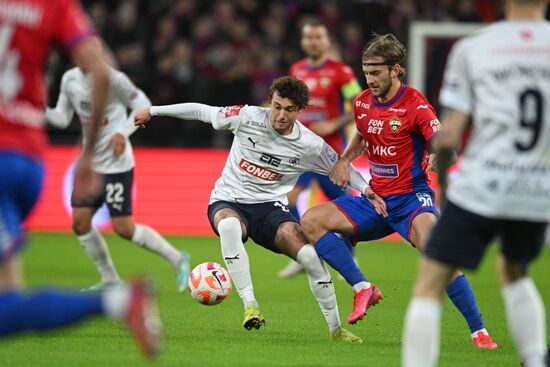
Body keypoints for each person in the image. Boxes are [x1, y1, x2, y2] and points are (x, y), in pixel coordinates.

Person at [134, 76, 369, 342]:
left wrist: (368, 191)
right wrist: (153, 111)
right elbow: (202, 111)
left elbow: (342, 168)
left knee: (311, 259)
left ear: (300, 111)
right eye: (277, 106)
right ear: (271, 100)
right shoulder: (246, 117)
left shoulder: (310, 145)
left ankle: (336, 330)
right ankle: (250, 305)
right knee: (229, 226)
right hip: (228, 200)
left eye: (289, 110)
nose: (280, 115)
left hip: (270, 209)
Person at [301, 33, 497, 349]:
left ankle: (479, 332)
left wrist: (437, 154)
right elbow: (362, 136)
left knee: (438, 254)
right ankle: (363, 287)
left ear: (396, 70)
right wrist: (344, 160)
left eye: (376, 72)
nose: (370, 80)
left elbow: (440, 139)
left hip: (411, 200)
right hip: (376, 200)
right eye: (366, 73)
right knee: (311, 220)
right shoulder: (363, 102)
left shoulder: (415, 104)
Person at [0, 0, 160, 358]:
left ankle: (116, 300)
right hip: (26, 162)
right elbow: (102, 71)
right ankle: (117, 302)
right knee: (6, 303)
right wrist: (87, 155)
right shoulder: (53, 5)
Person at [402, 0, 549, 365]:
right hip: (537, 190)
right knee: (514, 269)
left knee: (430, 281)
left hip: (483, 185)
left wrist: (447, 188)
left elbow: (448, 137)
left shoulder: (475, 47)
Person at [46, 64, 190, 293]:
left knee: (123, 228)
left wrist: (122, 133)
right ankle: (110, 279)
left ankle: (176, 257)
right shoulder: (69, 79)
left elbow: (142, 103)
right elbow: (62, 119)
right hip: (90, 166)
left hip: (116, 163)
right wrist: (37, 109)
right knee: (80, 223)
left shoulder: (113, 78)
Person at [278, 20, 363, 278]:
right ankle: (303, 252)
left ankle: (349, 259)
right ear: (303, 42)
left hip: (330, 154)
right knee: (287, 200)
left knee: (346, 206)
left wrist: (334, 123)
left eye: (318, 37)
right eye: (309, 37)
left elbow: (359, 104)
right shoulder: (297, 70)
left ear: (326, 41)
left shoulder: (341, 72)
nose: (313, 42)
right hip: (301, 152)